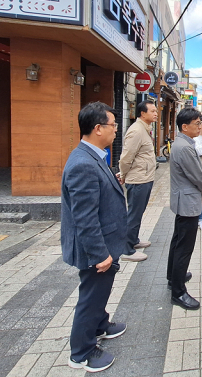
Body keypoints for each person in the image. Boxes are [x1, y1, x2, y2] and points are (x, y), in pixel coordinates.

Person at [61, 102, 128, 373]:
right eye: (113, 125)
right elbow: (84, 218)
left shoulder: (95, 156)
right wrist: (100, 254)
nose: (116, 130)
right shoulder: (82, 164)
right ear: (98, 128)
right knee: (90, 297)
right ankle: (82, 352)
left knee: (100, 294)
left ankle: (101, 325)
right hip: (95, 249)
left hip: (105, 242)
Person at [167, 108, 202, 310]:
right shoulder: (184, 147)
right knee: (184, 248)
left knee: (178, 241)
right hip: (187, 203)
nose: (200, 126)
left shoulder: (182, 142)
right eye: (196, 123)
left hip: (183, 200)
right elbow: (197, 175)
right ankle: (178, 292)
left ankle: (173, 276)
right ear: (184, 126)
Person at [118, 101, 158, 262]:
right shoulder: (136, 131)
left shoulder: (145, 128)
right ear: (142, 113)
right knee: (134, 214)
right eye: (152, 111)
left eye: (156, 110)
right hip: (138, 180)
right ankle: (126, 249)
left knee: (138, 213)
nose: (156, 113)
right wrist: (123, 174)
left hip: (145, 178)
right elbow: (126, 157)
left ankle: (133, 240)